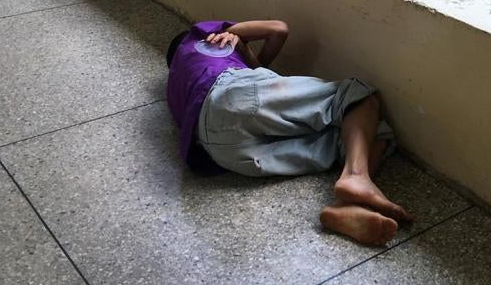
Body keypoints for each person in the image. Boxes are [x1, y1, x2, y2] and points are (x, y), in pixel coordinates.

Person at [166, 19, 413, 247]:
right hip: (229, 95)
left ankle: (346, 206)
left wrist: (242, 48)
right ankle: (356, 177)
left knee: (372, 133)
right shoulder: (199, 36)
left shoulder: (176, 87)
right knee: (358, 96)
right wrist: (232, 32)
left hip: (223, 150)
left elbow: (258, 77)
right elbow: (279, 29)